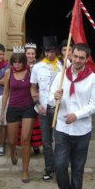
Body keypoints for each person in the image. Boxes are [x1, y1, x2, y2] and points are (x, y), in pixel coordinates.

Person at [50, 43, 95, 189]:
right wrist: (54, 97)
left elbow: (94, 104)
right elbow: (50, 99)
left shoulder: (93, 78)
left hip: (82, 130)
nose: (77, 60)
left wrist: (77, 115)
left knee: (78, 168)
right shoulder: (61, 75)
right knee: (60, 165)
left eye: (81, 57)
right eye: (75, 56)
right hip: (62, 128)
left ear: (86, 59)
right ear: (71, 56)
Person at [0, 49, 37, 183]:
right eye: (14, 62)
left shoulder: (31, 72)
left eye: (19, 62)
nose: (16, 65)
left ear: (24, 62)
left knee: (25, 139)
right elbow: (5, 93)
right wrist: (2, 111)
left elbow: (35, 87)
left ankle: (25, 171)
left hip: (28, 108)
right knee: (11, 141)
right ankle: (12, 151)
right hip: (13, 108)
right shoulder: (8, 73)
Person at [31, 36, 63, 181]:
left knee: (60, 140)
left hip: (59, 108)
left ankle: (60, 167)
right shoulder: (37, 67)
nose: (50, 54)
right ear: (44, 52)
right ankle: (49, 169)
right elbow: (33, 88)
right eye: (47, 51)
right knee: (46, 141)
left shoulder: (63, 65)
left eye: (52, 51)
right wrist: (37, 104)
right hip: (43, 108)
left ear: (56, 51)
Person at [22, 42, 42, 155]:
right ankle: (27, 144)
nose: (30, 55)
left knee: (36, 123)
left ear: (35, 55)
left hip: (36, 97)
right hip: (25, 97)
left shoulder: (39, 66)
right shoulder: (21, 66)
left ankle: (36, 145)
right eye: (28, 53)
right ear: (25, 54)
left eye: (32, 53)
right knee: (26, 123)